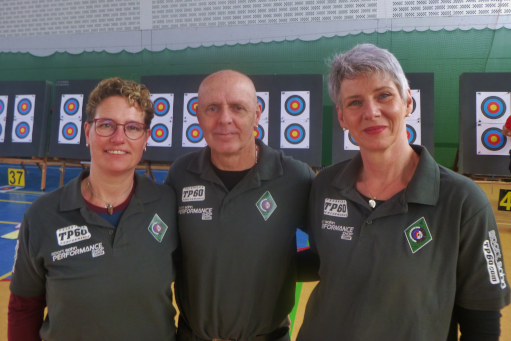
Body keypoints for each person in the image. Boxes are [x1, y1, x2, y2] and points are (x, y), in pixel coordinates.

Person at [297, 44, 510, 340]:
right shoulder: (326, 184)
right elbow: (308, 258)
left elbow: (482, 325)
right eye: (355, 102)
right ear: (342, 118)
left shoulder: (463, 201)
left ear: (408, 102)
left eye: (384, 95)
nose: (371, 112)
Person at [8, 77, 178, 341]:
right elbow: (24, 310)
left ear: (145, 138)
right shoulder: (42, 215)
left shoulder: (168, 204)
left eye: (133, 127)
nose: (119, 138)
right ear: (87, 132)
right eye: (106, 125)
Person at [165, 70, 315, 341]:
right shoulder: (181, 173)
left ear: (257, 114)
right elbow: (166, 254)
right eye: (212, 108)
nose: (225, 119)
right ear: (198, 116)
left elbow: (330, 250)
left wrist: (278, 267)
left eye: (237, 107)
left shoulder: (295, 177)